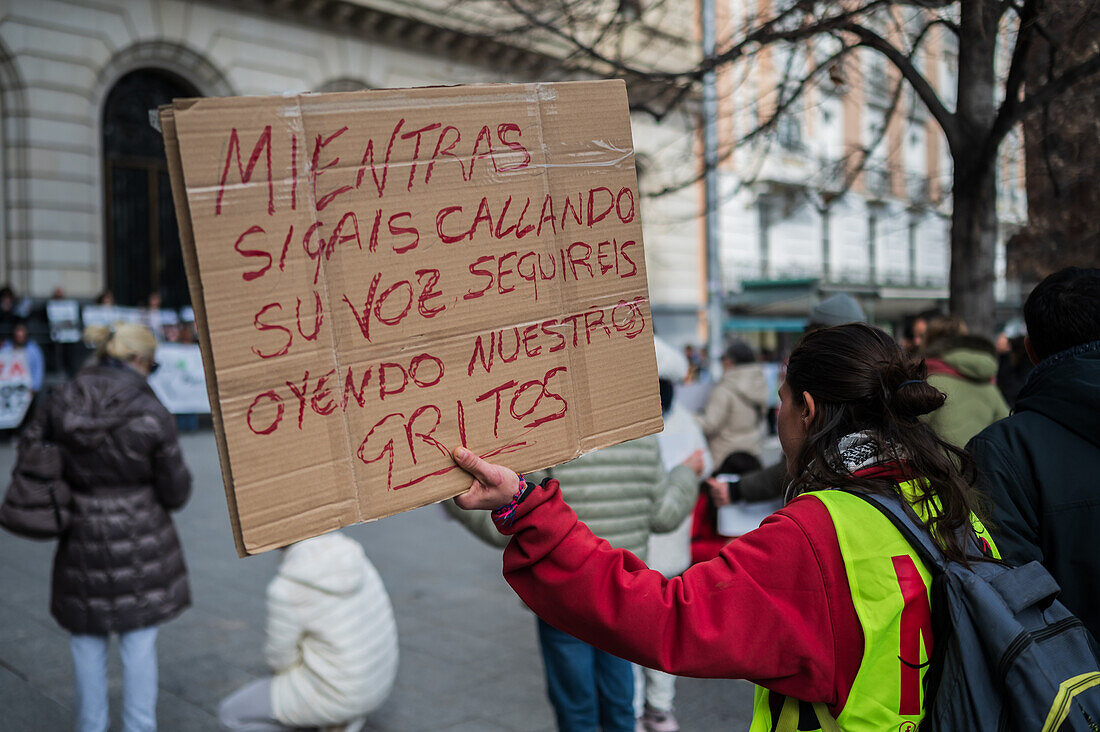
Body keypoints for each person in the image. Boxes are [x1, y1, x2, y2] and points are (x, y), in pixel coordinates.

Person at [452, 323, 996, 730]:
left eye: (779, 401)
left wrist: (528, 508)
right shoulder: (944, 500)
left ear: (806, 408)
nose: (776, 416)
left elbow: (667, 618)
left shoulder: (816, 532)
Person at [446, 435, 705, 732]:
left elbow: (513, 525)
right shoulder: (641, 438)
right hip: (622, 594)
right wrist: (685, 473)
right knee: (620, 702)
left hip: (563, 596)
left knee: (575, 706)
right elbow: (664, 516)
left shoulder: (544, 435)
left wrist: (452, 498)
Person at [20, 322, 192, 732]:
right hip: (141, 535)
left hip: (80, 531)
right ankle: (139, 726)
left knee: (85, 639)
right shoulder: (152, 411)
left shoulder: (62, 398)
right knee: (138, 643)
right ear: (138, 360)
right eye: (152, 363)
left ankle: (90, 726)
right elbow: (176, 491)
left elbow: (30, 452)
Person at [968, 266, 1100, 644]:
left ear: (1030, 350)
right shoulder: (1004, 450)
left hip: (1071, 692)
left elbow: (1008, 603)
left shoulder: (1003, 451)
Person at [218, 530, 399, 732]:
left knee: (231, 714)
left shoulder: (287, 588)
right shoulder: (355, 555)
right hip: (377, 684)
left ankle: (327, 716)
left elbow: (280, 660)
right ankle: (337, 720)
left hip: (337, 694)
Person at [636, 338, 713, 732]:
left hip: (649, 551)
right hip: (661, 550)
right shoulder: (682, 420)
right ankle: (655, 708)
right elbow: (704, 464)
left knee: (641, 635)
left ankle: (646, 708)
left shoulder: (645, 425)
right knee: (658, 634)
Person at [919, 314, 1009, 447]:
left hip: (940, 465)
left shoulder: (929, 382)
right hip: (980, 464)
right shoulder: (987, 382)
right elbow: (1006, 425)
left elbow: (910, 431)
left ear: (928, 342)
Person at [697, 340, 766, 465]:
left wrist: (690, 418)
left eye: (723, 359)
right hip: (752, 454)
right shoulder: (759, 385)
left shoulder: (724, 389)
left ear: (730, 361)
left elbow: (710, 425)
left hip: (725, 457)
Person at [2, 318, 46, 395]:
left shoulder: (33, 350)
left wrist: (35, 387)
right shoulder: (6, 348)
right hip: (8, 391)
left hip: (28, 390)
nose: (20, 334)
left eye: (22, 330)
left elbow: (38, 369)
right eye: (18, 330)